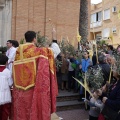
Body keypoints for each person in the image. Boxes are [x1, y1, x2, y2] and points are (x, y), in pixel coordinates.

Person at [12, 31, 58, 120]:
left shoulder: (17, 52)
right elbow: (54, 52)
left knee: (22, 112)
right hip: (33, 89)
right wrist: (54, 39)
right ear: (34, 39)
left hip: (19, 89)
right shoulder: (38, 51)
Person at [0, 55, 13, 120]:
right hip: (5, 96)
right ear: (6, 62)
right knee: (4, 112)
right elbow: (10, 83)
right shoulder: (7, 72)